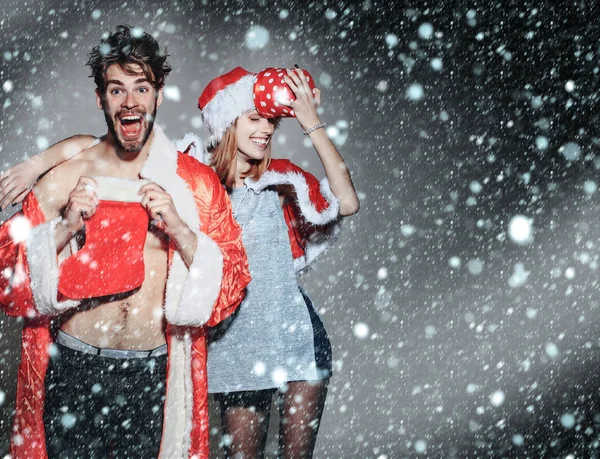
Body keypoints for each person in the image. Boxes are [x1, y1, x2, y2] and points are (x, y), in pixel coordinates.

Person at [0, 65, 359, 458]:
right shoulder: (194, 175)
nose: (267, 130)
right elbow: (97, 145)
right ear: (228, 122)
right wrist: (37, 164)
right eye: (255, 118)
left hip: (293, 337)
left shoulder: (279, 179)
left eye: (272, 121)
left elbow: (347, 202)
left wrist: (311, 123)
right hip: (233, 345)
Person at [0, 25, 250, 459]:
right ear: (101, 99)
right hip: (75, 368)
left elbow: (233, 279)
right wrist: (63, 226)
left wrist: (179, 227)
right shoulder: (65, 175)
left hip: (152, 373)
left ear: (158, 94)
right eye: (117, 90)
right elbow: (7, 275)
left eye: (141, 88)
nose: (130, 101)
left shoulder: (193, 184)